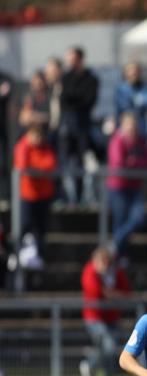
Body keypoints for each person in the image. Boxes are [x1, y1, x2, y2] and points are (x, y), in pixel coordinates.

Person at [80, 247, 130, 376]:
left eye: (107, 262)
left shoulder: (116, 272)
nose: (106, 266)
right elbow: (95, 293)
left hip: (112, 319)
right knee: (109, 348)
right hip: (95, 319)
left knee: (106, 359)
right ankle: (90, 362)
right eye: (102, 262)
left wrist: (110, 294)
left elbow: (127, 292)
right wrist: (112, 294)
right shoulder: (90, 271)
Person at [107, 112, 147, 257]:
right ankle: (121, 256)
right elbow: (119, 164)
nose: (131, 130)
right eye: (128, 127)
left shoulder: (141, 141)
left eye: (133, 127)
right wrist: (134, 163)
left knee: (139, 218)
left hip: (134, 187)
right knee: (120, 221)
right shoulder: (117, 140)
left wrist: (132, 162)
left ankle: (115, 241)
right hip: (118, 188)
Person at [59, 46, 98, 205]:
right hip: (68, 127)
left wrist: (73, 99)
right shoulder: (66, 77)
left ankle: (85, 198)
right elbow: (64, 99)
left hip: (83, 128)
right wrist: (76, 98)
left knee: (85, 163)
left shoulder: (91, 78)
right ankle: (70, 198)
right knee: (67, 163)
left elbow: (88, 101)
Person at [14, 124, 57, 265]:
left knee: (41, 228)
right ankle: (16, 254)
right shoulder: (23, 147)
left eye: (40, 136)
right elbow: (23, 167)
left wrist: (36, 170)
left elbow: (51, 164)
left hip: (43, 195)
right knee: (25, 225)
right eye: (35, 136)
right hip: (28, 195)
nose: (38, 139)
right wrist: (40, 172)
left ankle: (39, 256)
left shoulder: (46, 148)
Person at [115, 61, 147, 138]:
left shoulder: (145, 87)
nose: (133, 74)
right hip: (126, 130)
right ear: (126, 73)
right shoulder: (121, 89)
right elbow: (124, 105)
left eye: (135, 71)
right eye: (130, 71)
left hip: (142, 129)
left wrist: (135, 100)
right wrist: (139, 100)